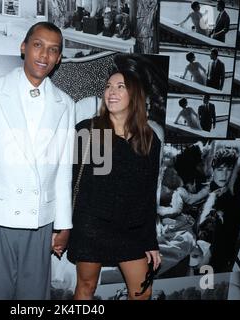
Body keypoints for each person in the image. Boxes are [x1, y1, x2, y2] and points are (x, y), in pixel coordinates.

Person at [0, 22, 75, 300]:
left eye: (53, 50)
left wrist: (64, 224)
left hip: (40, 221)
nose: (44, 55)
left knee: (34, 298)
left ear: (59, 58)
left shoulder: (65, 103)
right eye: (38, 45)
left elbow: (63, 170)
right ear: (23, 47)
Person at [67, 56, 161, 300]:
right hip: (92, 226)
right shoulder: (88, 130)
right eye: (108, 86)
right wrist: (63, 227)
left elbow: (149, 193)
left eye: (121, 87)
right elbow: (70, 182)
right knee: (86, 287)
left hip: (130, 230)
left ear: (135, 95)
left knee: (142, 292)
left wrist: (150, 242)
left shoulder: (149, 139)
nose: (112, 92)